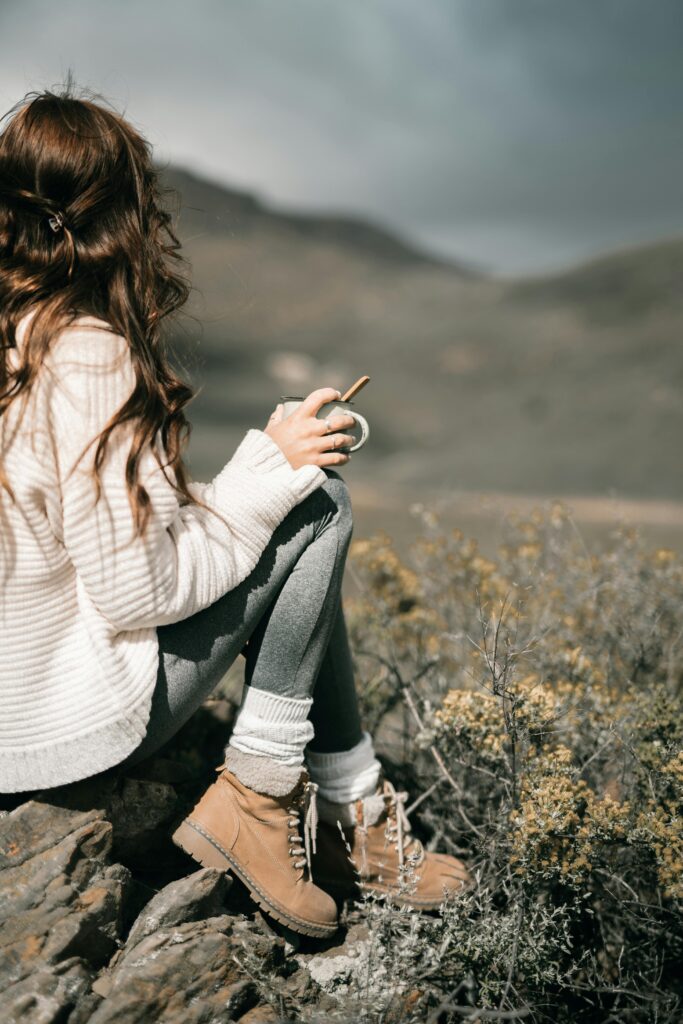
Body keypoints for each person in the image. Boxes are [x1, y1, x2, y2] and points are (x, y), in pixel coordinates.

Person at [0, 86, 470, 938]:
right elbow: (135, 591)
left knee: (290, 495)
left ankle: (348, 809)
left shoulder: (15, 339)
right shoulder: (87, 354)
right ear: (126, 214)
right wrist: (275, 479)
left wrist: (262, 465)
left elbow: (91, 535)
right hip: (58, 733)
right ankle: (266, 797)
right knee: (315, 506)